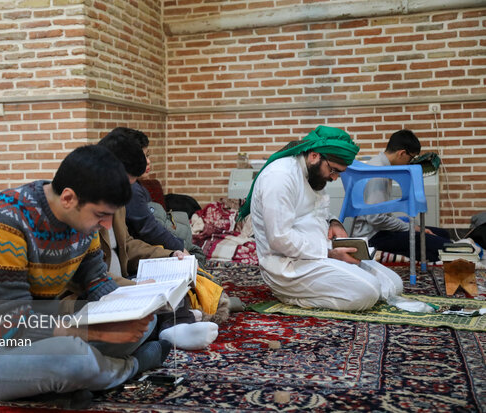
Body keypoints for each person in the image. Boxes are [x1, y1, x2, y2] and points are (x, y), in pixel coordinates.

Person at [0, 145, 170, 405]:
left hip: (42, 336)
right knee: (71, 358)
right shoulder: (4, 222)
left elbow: (97, 281)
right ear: (68, 198)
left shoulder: (83, 222)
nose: (107, 226)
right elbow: (11, 326)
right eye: (101, 215)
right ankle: (132, 366)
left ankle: (76, 380)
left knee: (143, 323)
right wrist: (101, 334)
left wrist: (134, 304)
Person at [238, 125, 404, 311]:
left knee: (394, 285)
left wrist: (333, 222)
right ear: (315, 156)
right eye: (333, 170)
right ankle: (291, 296)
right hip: (288, 266)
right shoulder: (280, 177)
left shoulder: (313, 174)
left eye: (339, 173)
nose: (334, 178)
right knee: (369, 292)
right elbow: (279, 238)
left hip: (320, 253)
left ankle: (331, 287)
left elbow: (317, 211)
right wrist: (330, 253)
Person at [96, 133, 219, 350]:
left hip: (125, 278)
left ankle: (174, 321)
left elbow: (128, 244)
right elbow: (92, 277)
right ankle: (173, 324)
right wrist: (133, 286)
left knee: (173, 272)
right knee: (144, 321)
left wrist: (170, 255)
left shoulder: (118, 199)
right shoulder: (86, 209)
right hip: (107, 289)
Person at [351, 129, 451, 261]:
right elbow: (375, 218)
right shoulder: (379, 172)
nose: (409, 163)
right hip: (373, 237)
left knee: (442, 234)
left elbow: (381, 213)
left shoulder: (383, 166)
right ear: (402, 153)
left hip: (380, 230)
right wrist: (411, 228)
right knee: (441, 245)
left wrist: (410, 227)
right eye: (410, 158)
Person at [103, 127, 186, 251]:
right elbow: (148, 230)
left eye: (147, 156)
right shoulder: (130, 189)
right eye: (142, 158)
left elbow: (129, 245)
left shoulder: (133, 186)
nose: (147, 162)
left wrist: (172, 254)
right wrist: (179, 248)